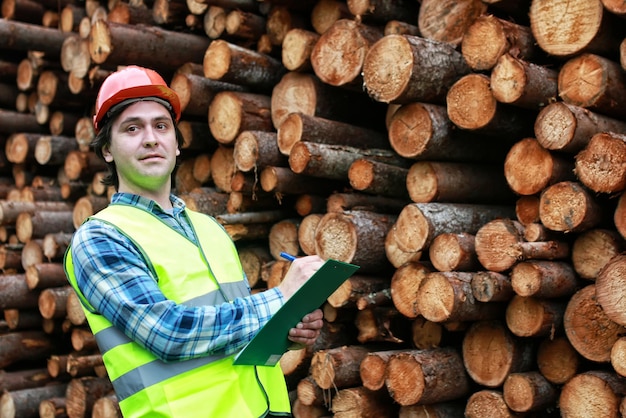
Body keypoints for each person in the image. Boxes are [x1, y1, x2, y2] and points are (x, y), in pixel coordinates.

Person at [64, 65, 326, 418]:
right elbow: (169, 333)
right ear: (107, 149)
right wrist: (279, 298)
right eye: (131, 128)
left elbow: (233, 333)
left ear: (176, 144)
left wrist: (288, 328)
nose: (151, 138)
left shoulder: (210, 229)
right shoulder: (100, 239)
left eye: (161, 125)